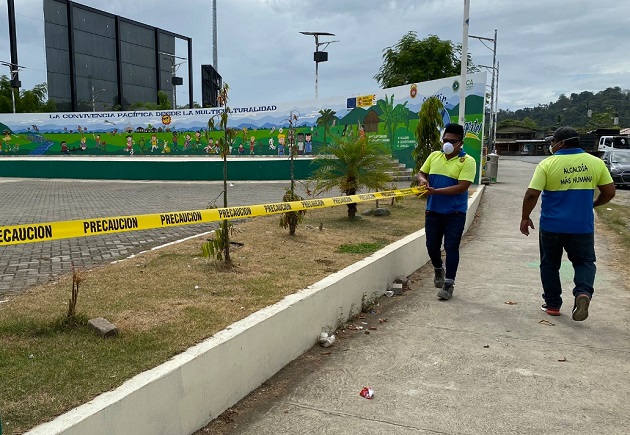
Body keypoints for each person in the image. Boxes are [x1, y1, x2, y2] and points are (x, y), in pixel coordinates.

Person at [520, 126, 615, 321]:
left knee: (549, 264)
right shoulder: (595, 163)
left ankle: (553, 304)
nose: (551, 145)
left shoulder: (548, 164)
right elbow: (610, 192)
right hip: (581, 226)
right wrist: (593, 204)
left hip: (551, 226)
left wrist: (525, 217)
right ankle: (582, 293)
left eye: (553, 141)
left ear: (561, 143)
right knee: (584, 262)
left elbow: (532, 194)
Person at [415, 123, 477, 300]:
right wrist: (422, 181)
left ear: (460, 143)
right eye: (445, 140)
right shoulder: (434, 156)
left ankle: (448, 285)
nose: (447, 144)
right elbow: (421, 173)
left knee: (451, 247)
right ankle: (437, 268)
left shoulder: (468, 161)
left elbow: (462, 187)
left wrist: (436, 191)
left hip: (454, 213)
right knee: (431, 246)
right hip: (433, 210)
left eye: (452, 141)